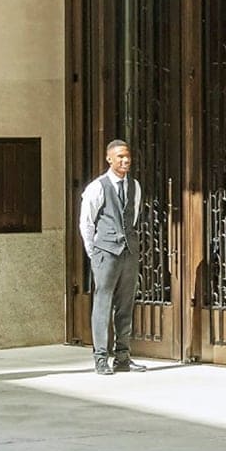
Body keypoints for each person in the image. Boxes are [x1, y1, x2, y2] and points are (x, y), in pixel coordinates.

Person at [79, 138, 142, 375]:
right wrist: (93, 251)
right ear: (109, 159)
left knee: (125, 305)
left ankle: (123, 357)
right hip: (105, 252)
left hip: (128, 252)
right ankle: (101, 358)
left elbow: (132, 217)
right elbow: (86, 222)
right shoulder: (97, 187)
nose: (125, 161)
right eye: (120, 157)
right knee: (103, 304)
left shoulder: (134, 186)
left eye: (127, 156)